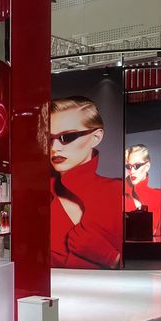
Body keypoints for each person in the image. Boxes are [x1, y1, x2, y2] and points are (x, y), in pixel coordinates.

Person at [50, 96, 122, 269]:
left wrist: (110, 257)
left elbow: (148, 265)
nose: (54, 147)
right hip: (47, 294)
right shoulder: (33, 198)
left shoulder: (118, 192)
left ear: (96, 137)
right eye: (48, 138)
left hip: (110, 294)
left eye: (67, 137)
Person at [124, 144, 161, 236]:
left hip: (153, 249)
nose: (132, 171)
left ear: (147, 166)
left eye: (136, 166)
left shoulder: (159, 196)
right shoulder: (118, 194)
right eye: (128, 167)